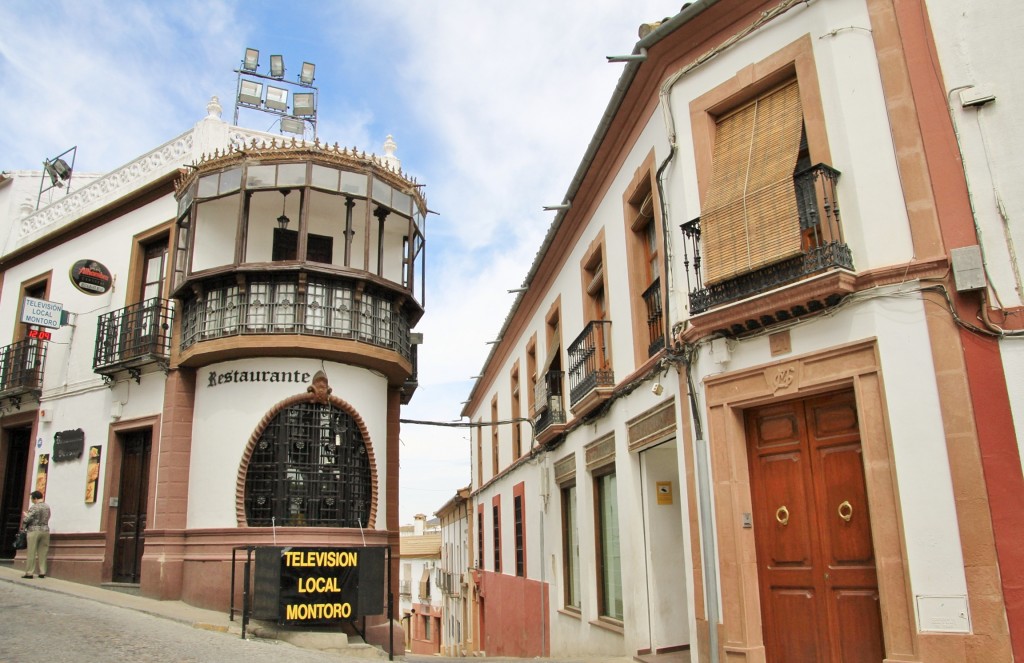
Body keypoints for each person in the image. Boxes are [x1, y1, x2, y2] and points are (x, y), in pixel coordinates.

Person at [21, 490, 51, 579]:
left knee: (31, 552)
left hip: (34, 530)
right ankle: (42, 571)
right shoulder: (47, 507)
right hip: (45, 530)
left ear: (35, 498)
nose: (31, 500)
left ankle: (29, 572)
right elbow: (48, 517)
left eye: (32, 498)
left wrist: (25, 515)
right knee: (43, 552)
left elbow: (27, 519)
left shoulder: (34, 507)